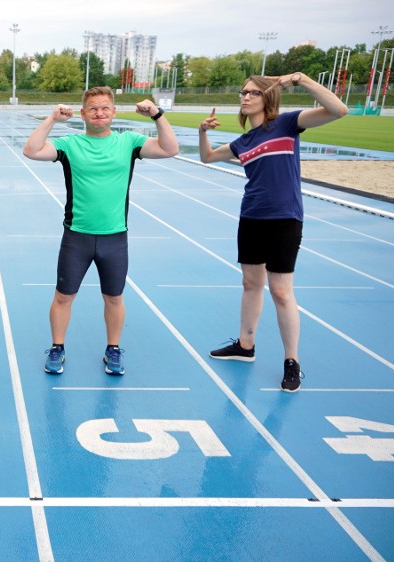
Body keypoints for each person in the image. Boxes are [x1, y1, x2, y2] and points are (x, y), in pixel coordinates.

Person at [198, 73, 348, 392]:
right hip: (251, 216)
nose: (245, 97)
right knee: (251, 283)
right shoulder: (243, 142)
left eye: (253, 93)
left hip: (285, 218)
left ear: (268, 97)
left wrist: (302, 80)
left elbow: (339, 110)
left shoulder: (288, 123)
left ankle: (291, 361)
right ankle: (245, 345)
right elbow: (207, 157)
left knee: (281, 291)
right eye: (243, 92)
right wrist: (202, 132)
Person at [23, 86, 179, 376]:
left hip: (115, 237)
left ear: (113, 112)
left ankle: (113, 350)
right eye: (93, 108)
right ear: (83, 114)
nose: (99, 112)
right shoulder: (70, 144)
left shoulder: (129, 142)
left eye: (105, 107)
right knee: (63, 296)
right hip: (77, 236)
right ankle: (57, 348)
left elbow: (170, 149)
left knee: (114, 297)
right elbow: (31, 150)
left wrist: (157, 114)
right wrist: (52, 119)